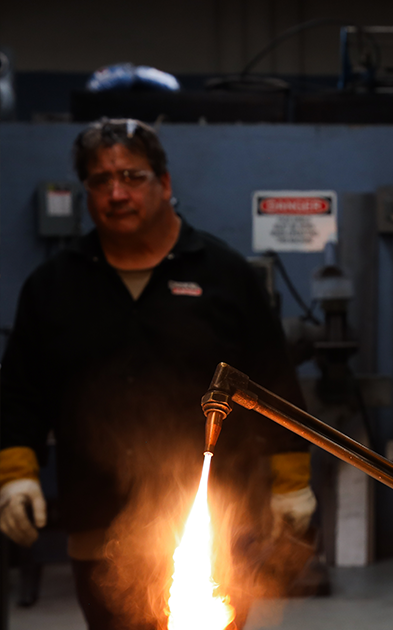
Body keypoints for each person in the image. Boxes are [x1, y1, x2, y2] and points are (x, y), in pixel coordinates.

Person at [0, 119, 317, 630]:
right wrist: (15, 476)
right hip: (99, 527)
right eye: (101, 181)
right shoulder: (53, 286)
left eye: (132, 176)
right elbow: (19, 392)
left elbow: (273, 382)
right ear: (86, 191)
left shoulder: (222, 275)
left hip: (216, 519)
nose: (117, 192)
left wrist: (291, 483)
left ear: (164, 183)